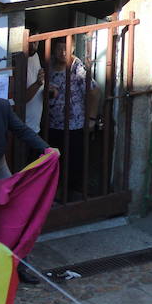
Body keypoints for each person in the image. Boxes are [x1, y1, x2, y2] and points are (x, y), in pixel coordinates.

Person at [47, 43, 97, 198]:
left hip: (74, 124)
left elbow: (94, 91)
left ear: (73, 48)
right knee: (55, 160)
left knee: (72, 161)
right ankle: (57, 192)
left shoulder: (77, 68)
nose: (62, 52)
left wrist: (91, 119)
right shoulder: (50, 67)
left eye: (66, 48)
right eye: (59, 48)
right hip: (53, 123)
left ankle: (68, 194)